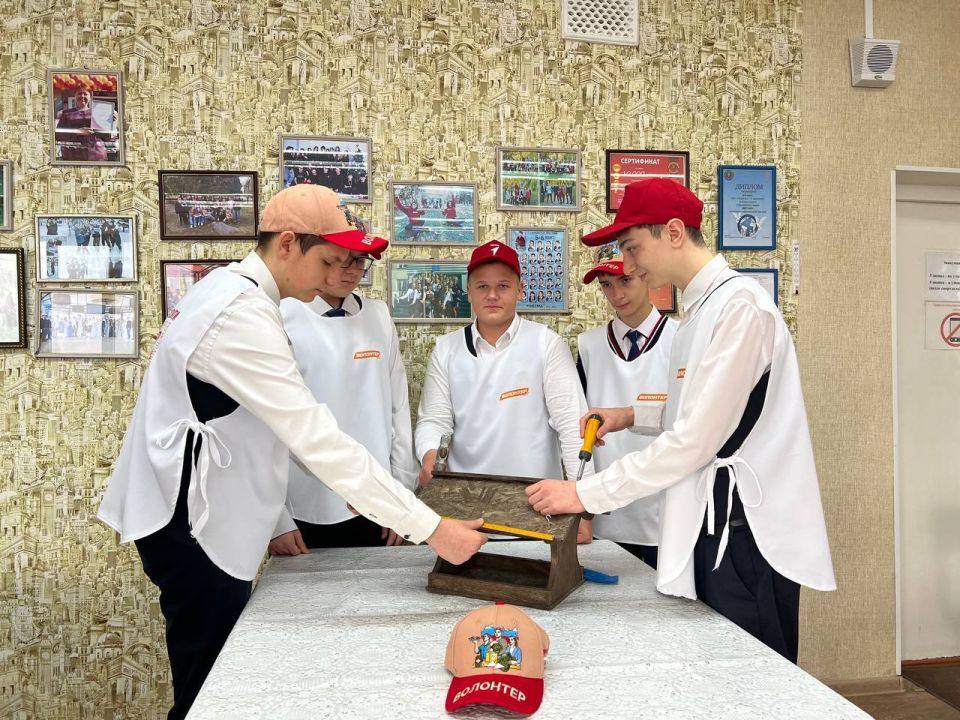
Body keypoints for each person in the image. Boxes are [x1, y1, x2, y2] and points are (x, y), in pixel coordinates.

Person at [97, 185, 487, 720]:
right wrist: (432, 527)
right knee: (209, 686)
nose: (332, 277)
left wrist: (385, 500)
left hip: (197, 513)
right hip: (191, 521)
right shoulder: (240, 314)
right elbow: (314, 436)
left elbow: (294, 429)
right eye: (326, 261)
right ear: (286, 244)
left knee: (216, 671)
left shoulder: (235, 293)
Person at [525, 178, 835, 662]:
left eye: (632, 248)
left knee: (752, 675)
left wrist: (583, 494)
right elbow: (699, 408)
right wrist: (630, 416)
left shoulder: (740, 309)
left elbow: (694, 439)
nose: (628, 266)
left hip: (743, 532)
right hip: (709, 522)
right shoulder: (700, 310)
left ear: (673, 232)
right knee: (714, 669)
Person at [416, 240, 594, 543]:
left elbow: (572, 428)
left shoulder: (546, 344)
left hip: (536, 511)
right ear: (468, 292)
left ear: (520, 290)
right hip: (465, 514)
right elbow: (434, 420)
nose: (492, 295)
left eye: (503, 286)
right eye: (482, 286)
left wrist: (584, 508)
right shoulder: (446, 350)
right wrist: (430, 455)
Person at [273, 211, 418, 551]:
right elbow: (263, 427)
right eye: (341, 259)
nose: (351, 270)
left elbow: (398, 411)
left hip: (379, 500)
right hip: (303, 504)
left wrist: (403, 495)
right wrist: (275, 519)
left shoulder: (378, 315)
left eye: (360, 261)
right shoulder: (282, 315)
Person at [576, 260, 677, 568]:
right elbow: (573, 427)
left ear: (646, 277)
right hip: (606, 508)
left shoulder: (682, 338)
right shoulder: (588, 345)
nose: (617, 294)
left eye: (625, 281)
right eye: (606, 285)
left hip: (666, 505)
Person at [53, 88, 118, 162]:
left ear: (90, 97)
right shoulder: (66, 114)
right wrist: (77, 132)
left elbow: (106, 137)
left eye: (85, 94)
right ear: (75, 96)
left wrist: (111, 122)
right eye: (79, 93)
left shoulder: (98, 112)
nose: (82, 96)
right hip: (73, 153)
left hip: (96, 153)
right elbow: (58, 135)